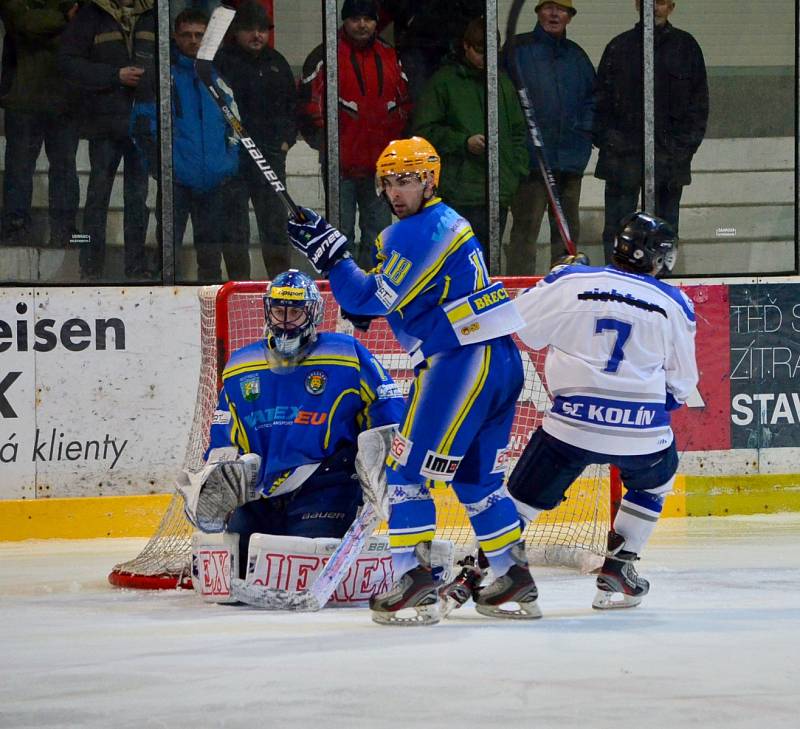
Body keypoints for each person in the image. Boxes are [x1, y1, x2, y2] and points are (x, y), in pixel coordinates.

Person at [286, 137, 539, 626]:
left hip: (459, 362)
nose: (396, 191)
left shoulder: (415, 231)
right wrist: (344, 270)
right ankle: (512, 577)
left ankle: (415, 579)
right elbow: (404, 295)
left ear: (429, 180)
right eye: (389, 182)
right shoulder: (448, 222)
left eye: (407, 180)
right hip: (500, 359)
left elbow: (369, 299)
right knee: (475, 479)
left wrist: (333, 258)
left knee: (405, 474)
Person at [507, 212, 698, 609]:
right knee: (654, 481)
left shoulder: (571, 282)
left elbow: (519, 325)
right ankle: (620, 566)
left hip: (571, 426)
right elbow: (682, 385)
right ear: (657, 258)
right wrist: (643, 408)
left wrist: (553, 277)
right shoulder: (674, 303)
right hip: (642, 433)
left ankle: (495, 569)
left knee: (523, 497)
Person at [186, 269, 405, 576]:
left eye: (295, 311)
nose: (285, 319)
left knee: (301, 564)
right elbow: (224, 431)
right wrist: (219, 470)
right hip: (260, 491)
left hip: (327, 482)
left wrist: (384, 456)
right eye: (278, 310)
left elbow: (387, 403)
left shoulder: (345, 353)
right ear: (267, 311)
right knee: (237, 567)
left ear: (312, 313)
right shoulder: (239, 365)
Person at [298, 0, 411, 269]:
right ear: (344, 21)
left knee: (380, 235)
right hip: (341, 166)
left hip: (380, 167)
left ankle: (374, 290)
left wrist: (395, 148)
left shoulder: (390, 55)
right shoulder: (324, 54)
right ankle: (340, 292)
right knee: (340, 235)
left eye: (368, 19)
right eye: (355, 18)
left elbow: (404, 104)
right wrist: (324, 143)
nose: (362, 25)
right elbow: (307, 103)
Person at [594, 0, 708, 263]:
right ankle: (616, 286)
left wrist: (680, 151)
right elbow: (600, 102)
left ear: (672, 6)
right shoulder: (618, 47)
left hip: (670, 161)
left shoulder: (686, 48)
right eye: (649, 1)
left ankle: (661, 288)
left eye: (662, 2)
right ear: (636, 5)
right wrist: (611, 142)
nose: (655, 7)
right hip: (622, 160)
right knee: (616, 231)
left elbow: (698, 105)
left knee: (665, 233)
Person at [412, 16, 529, 269]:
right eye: (479, 51)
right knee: (458, 262)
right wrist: (463, 143)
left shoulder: (503, 83)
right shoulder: (444, 82)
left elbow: (519, 131)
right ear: (465, 46)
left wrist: (514, 172)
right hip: (460, 192)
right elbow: (424, 131)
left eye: (490, 52)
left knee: (488, 261)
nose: (485, 58)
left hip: (497, 190)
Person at [58, 0, 157, 281]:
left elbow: (168, 62)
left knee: (137, 197)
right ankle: (90, 267)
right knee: (98, 197)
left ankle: (135, 267)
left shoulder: (154, 16)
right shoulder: (91, 14)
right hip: (103, 122)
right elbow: (67, 62)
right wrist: (115, 76)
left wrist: (147, 82)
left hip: (142, 122)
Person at [504, 0, 595, 274]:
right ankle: (519, 293)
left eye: (561, 10)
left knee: (568, 234)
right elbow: (503, 98)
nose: (554, 14)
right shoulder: (517, 50)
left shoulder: (577, 57)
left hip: (569, 160)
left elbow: (593, 99)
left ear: (570, 17)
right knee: (525, 230)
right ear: (538, 12)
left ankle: (564, 288)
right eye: (548, 7)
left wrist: (583, 132)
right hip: (531, 163)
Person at [163, 9, 246, 282]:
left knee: (209, 254)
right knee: (166, 248)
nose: (193, 40)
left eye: (199, 35)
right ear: (175, 37)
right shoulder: (164, 78)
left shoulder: (218, 79)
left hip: (213, 180)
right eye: (186, 35)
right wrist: (162, 166)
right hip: (175, 180)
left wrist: (226, 163)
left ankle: (208, 306)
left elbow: (235, 126)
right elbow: (145, 125)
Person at [216, 0, 296, 277]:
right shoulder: (222, 62)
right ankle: (239, 284)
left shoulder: (277, 62)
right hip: (233, 156)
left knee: (274, 223)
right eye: (250, 29)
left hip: (270, 154)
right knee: (234, 224)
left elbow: (291, 106)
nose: (257, 35)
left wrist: (286, 141)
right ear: (235, 32)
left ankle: (281, 281)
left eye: (262, 29)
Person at [0, 0, 81, 248]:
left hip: (63, 96)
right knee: (20, 166)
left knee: (64, 167)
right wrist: (64, 17)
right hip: (23, 96)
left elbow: (82, 23)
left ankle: (64, 230)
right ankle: (16, 226)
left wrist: (46, 21)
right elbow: (24, 23)